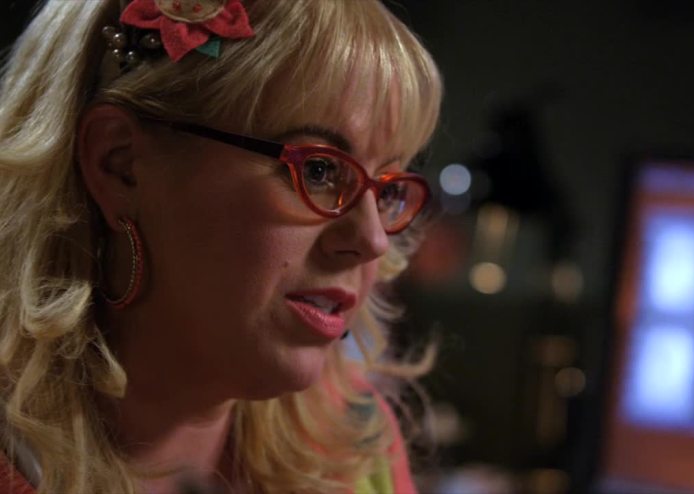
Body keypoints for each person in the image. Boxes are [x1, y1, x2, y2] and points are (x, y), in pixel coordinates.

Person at [0, 0, 442, 492]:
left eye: (386, 191)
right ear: (118, 164)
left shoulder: (357, 445)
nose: (373, 240)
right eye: (319, 170)